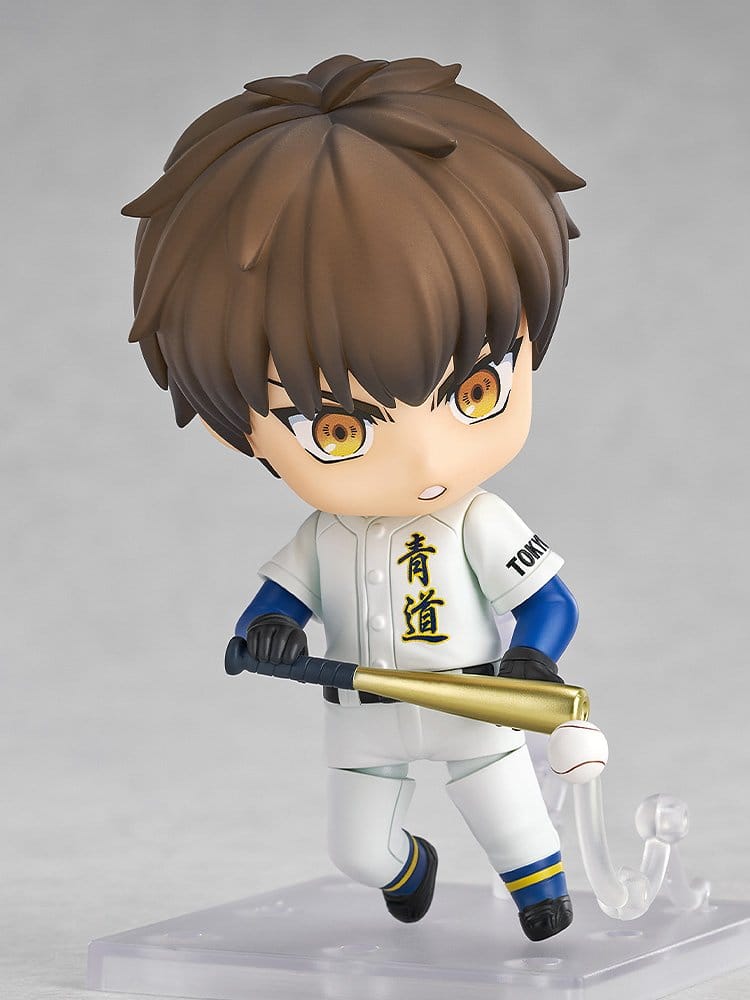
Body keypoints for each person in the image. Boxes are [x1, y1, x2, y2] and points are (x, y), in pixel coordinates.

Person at [123, 54, 585, 941]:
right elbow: (279, 601)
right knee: (359, 853)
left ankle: (540, 895)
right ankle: (411, 867)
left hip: (471, 704)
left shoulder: (477, 519)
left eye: (476, 388)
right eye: (339, 429)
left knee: (515, 827)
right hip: (359, 718)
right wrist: (269, 630)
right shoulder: (323, 532)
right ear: (234, 430)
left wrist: (533, 656)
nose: (427, 459)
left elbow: (548, 599)